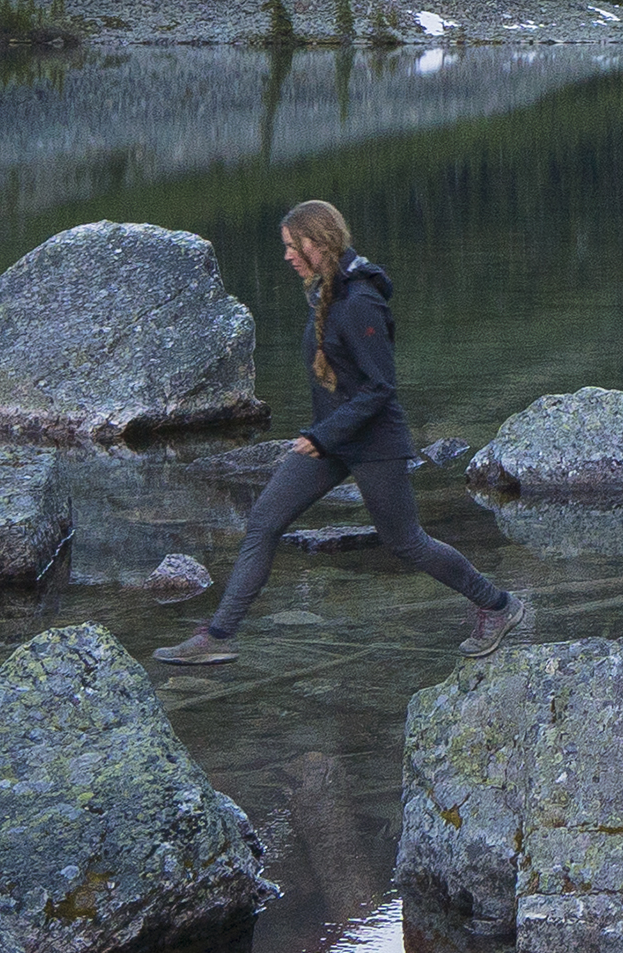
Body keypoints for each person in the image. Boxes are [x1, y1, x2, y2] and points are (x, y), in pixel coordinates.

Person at [184, 193, 511, 646]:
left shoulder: (360, 303)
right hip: (332, 441)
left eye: (293, 247)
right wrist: (324, 437)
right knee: (264, 521)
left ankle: (497, 606)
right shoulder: (329, 292)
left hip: (372, 442)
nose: (287, 256)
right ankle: (217, 638)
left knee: (405, 542)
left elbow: (380, 388)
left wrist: (322, 435)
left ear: (319, 243)